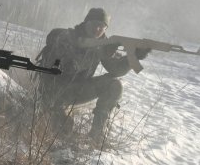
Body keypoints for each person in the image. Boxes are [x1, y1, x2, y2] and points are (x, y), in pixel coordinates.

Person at [35, 8, 149, 144]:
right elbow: (67, 68)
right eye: (95, 24)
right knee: (63, 131)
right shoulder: (66, 37)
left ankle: (96, 136)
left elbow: (116, 70)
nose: (98, 29)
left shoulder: (103, 45)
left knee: (114, 85)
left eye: (103, 26)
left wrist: (133, 57)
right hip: (53, 91)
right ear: (86, 23)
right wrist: (94, 52)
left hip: (77, 90)